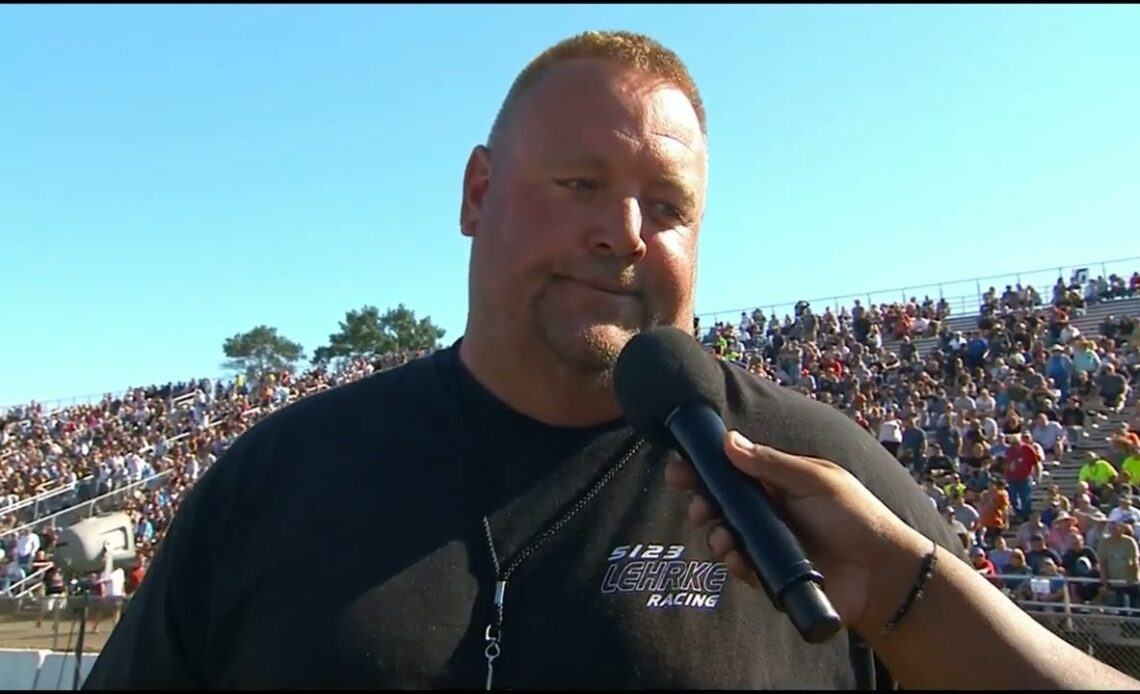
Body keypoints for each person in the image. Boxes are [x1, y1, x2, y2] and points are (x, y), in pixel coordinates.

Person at [80, 30, 1136, 690]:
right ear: (478, 194)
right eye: (579, 185)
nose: (627, 232)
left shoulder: (818, 475)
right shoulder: (280, 477)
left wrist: (907, 595)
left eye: (668, 207)